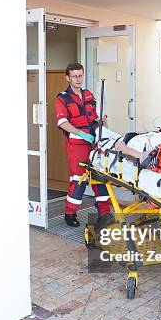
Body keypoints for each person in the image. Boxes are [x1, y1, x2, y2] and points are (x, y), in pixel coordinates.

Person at [55, 63, 112, 227]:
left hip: (94, 142)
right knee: (79, 179)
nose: (78, 79)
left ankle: (104, 211)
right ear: (68, 78)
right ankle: (70, 213)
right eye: (74, 76)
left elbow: (98, 115)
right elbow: (62, 122)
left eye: (80, 75)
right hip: (77, 144)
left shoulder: (88, 95)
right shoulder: (63, 98)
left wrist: (105, 130)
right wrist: (81, 134)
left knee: (99, 176)